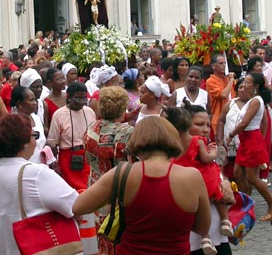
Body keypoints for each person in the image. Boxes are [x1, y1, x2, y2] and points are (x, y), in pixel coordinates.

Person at [74, 116, 211, 254]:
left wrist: (115, 202)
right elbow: (203, 228)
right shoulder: (192, 178)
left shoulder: (123, 174)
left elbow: (79, 207)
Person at [0, 114, 78, 255]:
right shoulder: (35, 174)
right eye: (34, 135)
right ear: (24, 143)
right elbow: (76, 206)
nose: (36, 141)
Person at [164, 104, 233, 254]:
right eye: (199, 124)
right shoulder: (167, 159)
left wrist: (225, 182)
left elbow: (215, 173)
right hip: (189, 242)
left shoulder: (201, 149)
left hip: (219, 239)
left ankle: (224, 223)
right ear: (185, 125)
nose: (206, 129)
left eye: (208, 125)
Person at [84, 86, 134, 254]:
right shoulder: (128, 133)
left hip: (95, 187)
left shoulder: (92, 128)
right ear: (123, 107)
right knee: (117, 235)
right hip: (118, 192)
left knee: (101, 233)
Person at [226, 72, 272, 221]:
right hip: (247, 140)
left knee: (253, 178)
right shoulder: (252, 100)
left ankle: (271, 204)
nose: (244, 85)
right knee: (238, 173)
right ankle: (245, 205)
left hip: (251, 140)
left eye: (247, 82)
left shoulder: (256, 101)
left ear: (256, 86)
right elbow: (263, 122)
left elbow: (245, 123)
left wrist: (232, 135)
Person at [47, 82, 96, 190]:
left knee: (88, 189)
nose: (81, 102)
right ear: (69, 97)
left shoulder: (89, 112)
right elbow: (52, 142)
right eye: (78, 98)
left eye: (84, 98)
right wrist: (56, 165)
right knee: (71, 190)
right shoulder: (59, 115)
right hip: (67, 159)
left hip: (87, 156)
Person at [217, 78, 248, 179]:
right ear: (236, 90)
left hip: (246, 145)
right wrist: (220, 139)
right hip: (230, 145)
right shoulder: (230, 104)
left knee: (244, 175)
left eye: (245, 87)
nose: (243, 90)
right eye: (240, 87)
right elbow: (221, 121)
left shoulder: (253, 104)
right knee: (231, 173)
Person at [11, 86, 46, 164]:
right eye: (31, 100)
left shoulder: (36, 118)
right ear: (19, 103)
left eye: (35, 99)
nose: (35, 103)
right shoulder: (13, 123)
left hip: (40, 166)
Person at [206, 54, 235, 137]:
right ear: (213, 66)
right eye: (221, 63)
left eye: (224, 63)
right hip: (218, 119)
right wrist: (231, 80)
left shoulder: (227, 79)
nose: (224, 65)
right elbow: (223, 95)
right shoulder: (210, 81)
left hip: (231, 118)